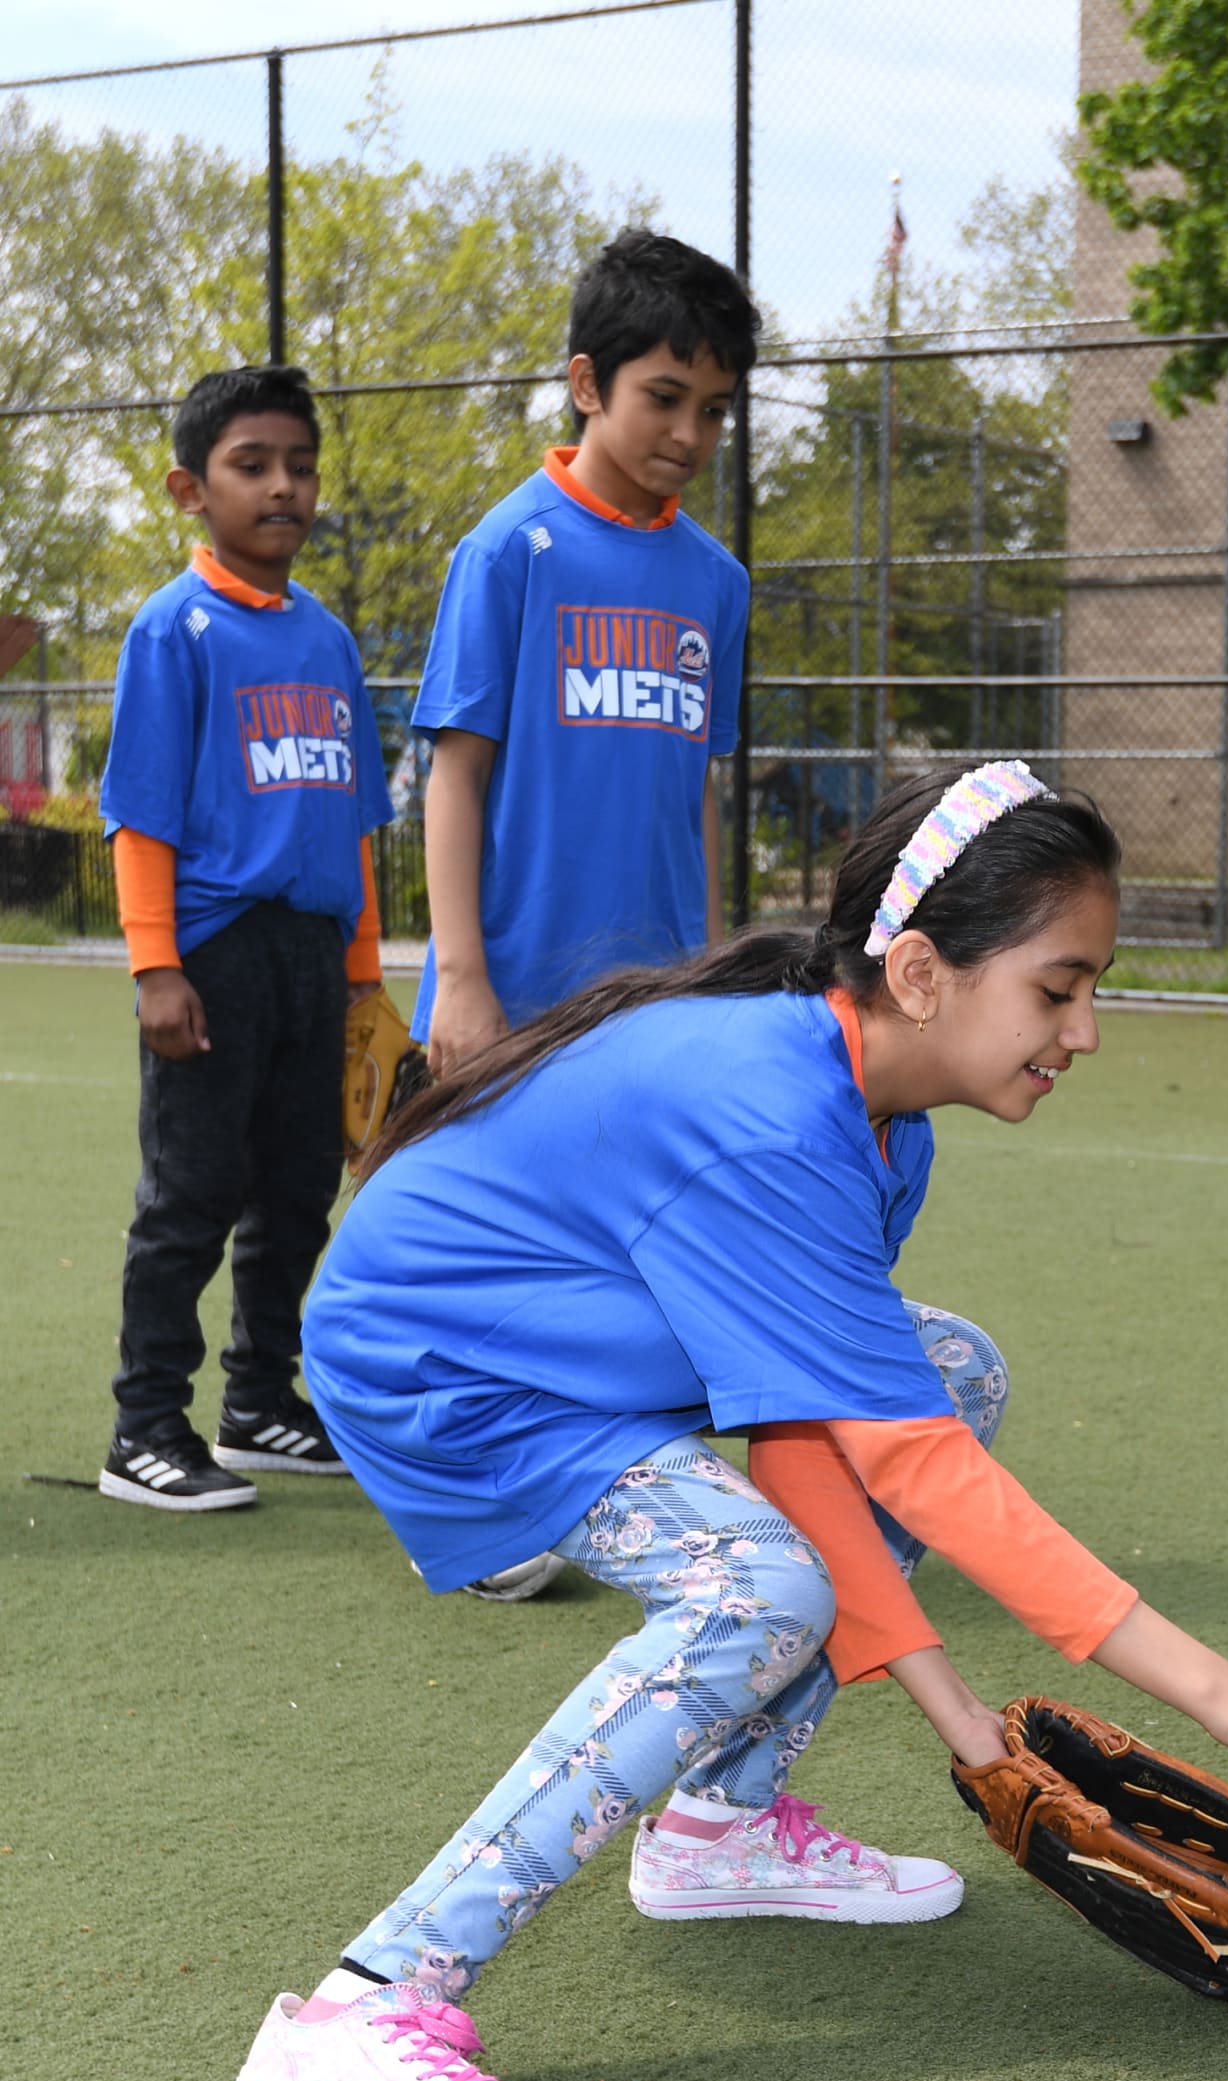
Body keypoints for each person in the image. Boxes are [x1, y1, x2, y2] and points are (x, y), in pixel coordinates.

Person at [234, 764, 1228, 2081]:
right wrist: (1225, 1691)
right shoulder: (771, 1109)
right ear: (923, 973)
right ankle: (367, 2002)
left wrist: (974, 1740)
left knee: (951, 1372)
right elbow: (905, 1476)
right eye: (1059, 988)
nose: (1086, 1028)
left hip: (582, 1333)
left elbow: (813, 1442)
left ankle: (717, 1826)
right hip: (452, 1367)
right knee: (755, 1586)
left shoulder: (887, 1126)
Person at [407, 224, 759, 1598]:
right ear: (585, 384)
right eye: (663, 398)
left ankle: (601, 1486)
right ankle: (468, 1497)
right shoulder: (510, 549)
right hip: (521, 978)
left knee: (631, 1249)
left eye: (713, 409)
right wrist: (465, 975)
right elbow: (457, 769)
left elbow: (700, 790)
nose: (687, 432)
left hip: (662, 989)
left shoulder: (715, 582)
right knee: (495, 1252)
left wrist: (725, 961)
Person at [96, 365, 393, 1511]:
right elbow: (141, 817)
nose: (283, 487)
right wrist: (156, 965)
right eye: (251, 465)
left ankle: (260, 1400)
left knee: (295, 1189)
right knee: (192, 1193)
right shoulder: (174, 630)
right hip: (214, 956)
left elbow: (356, 826)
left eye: (300, 465)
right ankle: (145, 1428)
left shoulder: (325, 640)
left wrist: (365, 979)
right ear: (191, 488)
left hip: (313, 959)